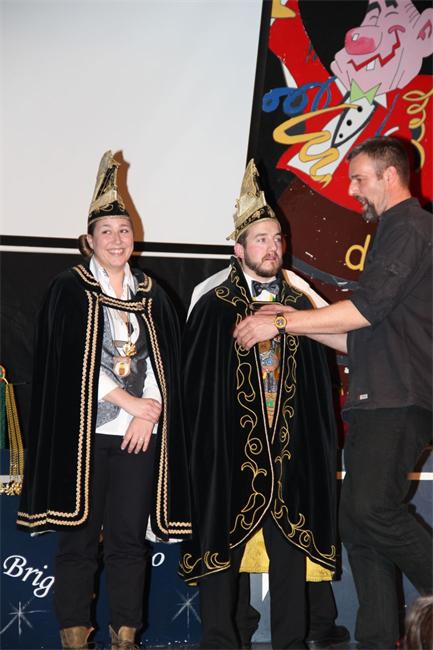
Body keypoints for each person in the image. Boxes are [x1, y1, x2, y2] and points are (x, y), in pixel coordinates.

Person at [234, 137, 433, 649]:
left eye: (359, 178)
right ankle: (377, 639)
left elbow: (367, 308)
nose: (352, 189)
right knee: (357, 526)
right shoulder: (392, 231)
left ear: (390, 175)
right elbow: (355, 337)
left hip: (398, 397)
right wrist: (292, 319)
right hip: (376, 395)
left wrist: (282, 321)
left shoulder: (410, 226)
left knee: (369, 510)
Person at [17, 151, 191, 650]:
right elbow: (68, 361)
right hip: (85, 436)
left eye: (124, 230)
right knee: (78, 541)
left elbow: (166, 362)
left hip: (138, 436)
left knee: (128, 542)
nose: (117, 239)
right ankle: (75, 638)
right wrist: (126, 401)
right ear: (88, 240)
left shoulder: (153, 294)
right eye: (107, 231)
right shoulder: (69, 289)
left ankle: (125, 637)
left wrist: (149, 411)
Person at [180, 159, 342, 649]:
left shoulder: (300, 301)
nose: (272, 247)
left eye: (277, 239)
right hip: (230, 456)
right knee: (222, 555)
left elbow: (331, 365)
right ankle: (220, 642)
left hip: (289, 454)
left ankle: (290, 643)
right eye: (260, 240)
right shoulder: (213, 304)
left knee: (290, 556)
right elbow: (196, 390)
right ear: (239, 249)